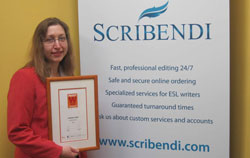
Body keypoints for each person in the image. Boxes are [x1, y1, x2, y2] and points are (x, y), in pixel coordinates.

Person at [7, 17, 87, 158]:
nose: (58, 45)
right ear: (40, 44)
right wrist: (58, 151)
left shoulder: (68, 76)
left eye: (62, 38)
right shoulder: (25, 78)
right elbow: (17, 132)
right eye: (50, 40)